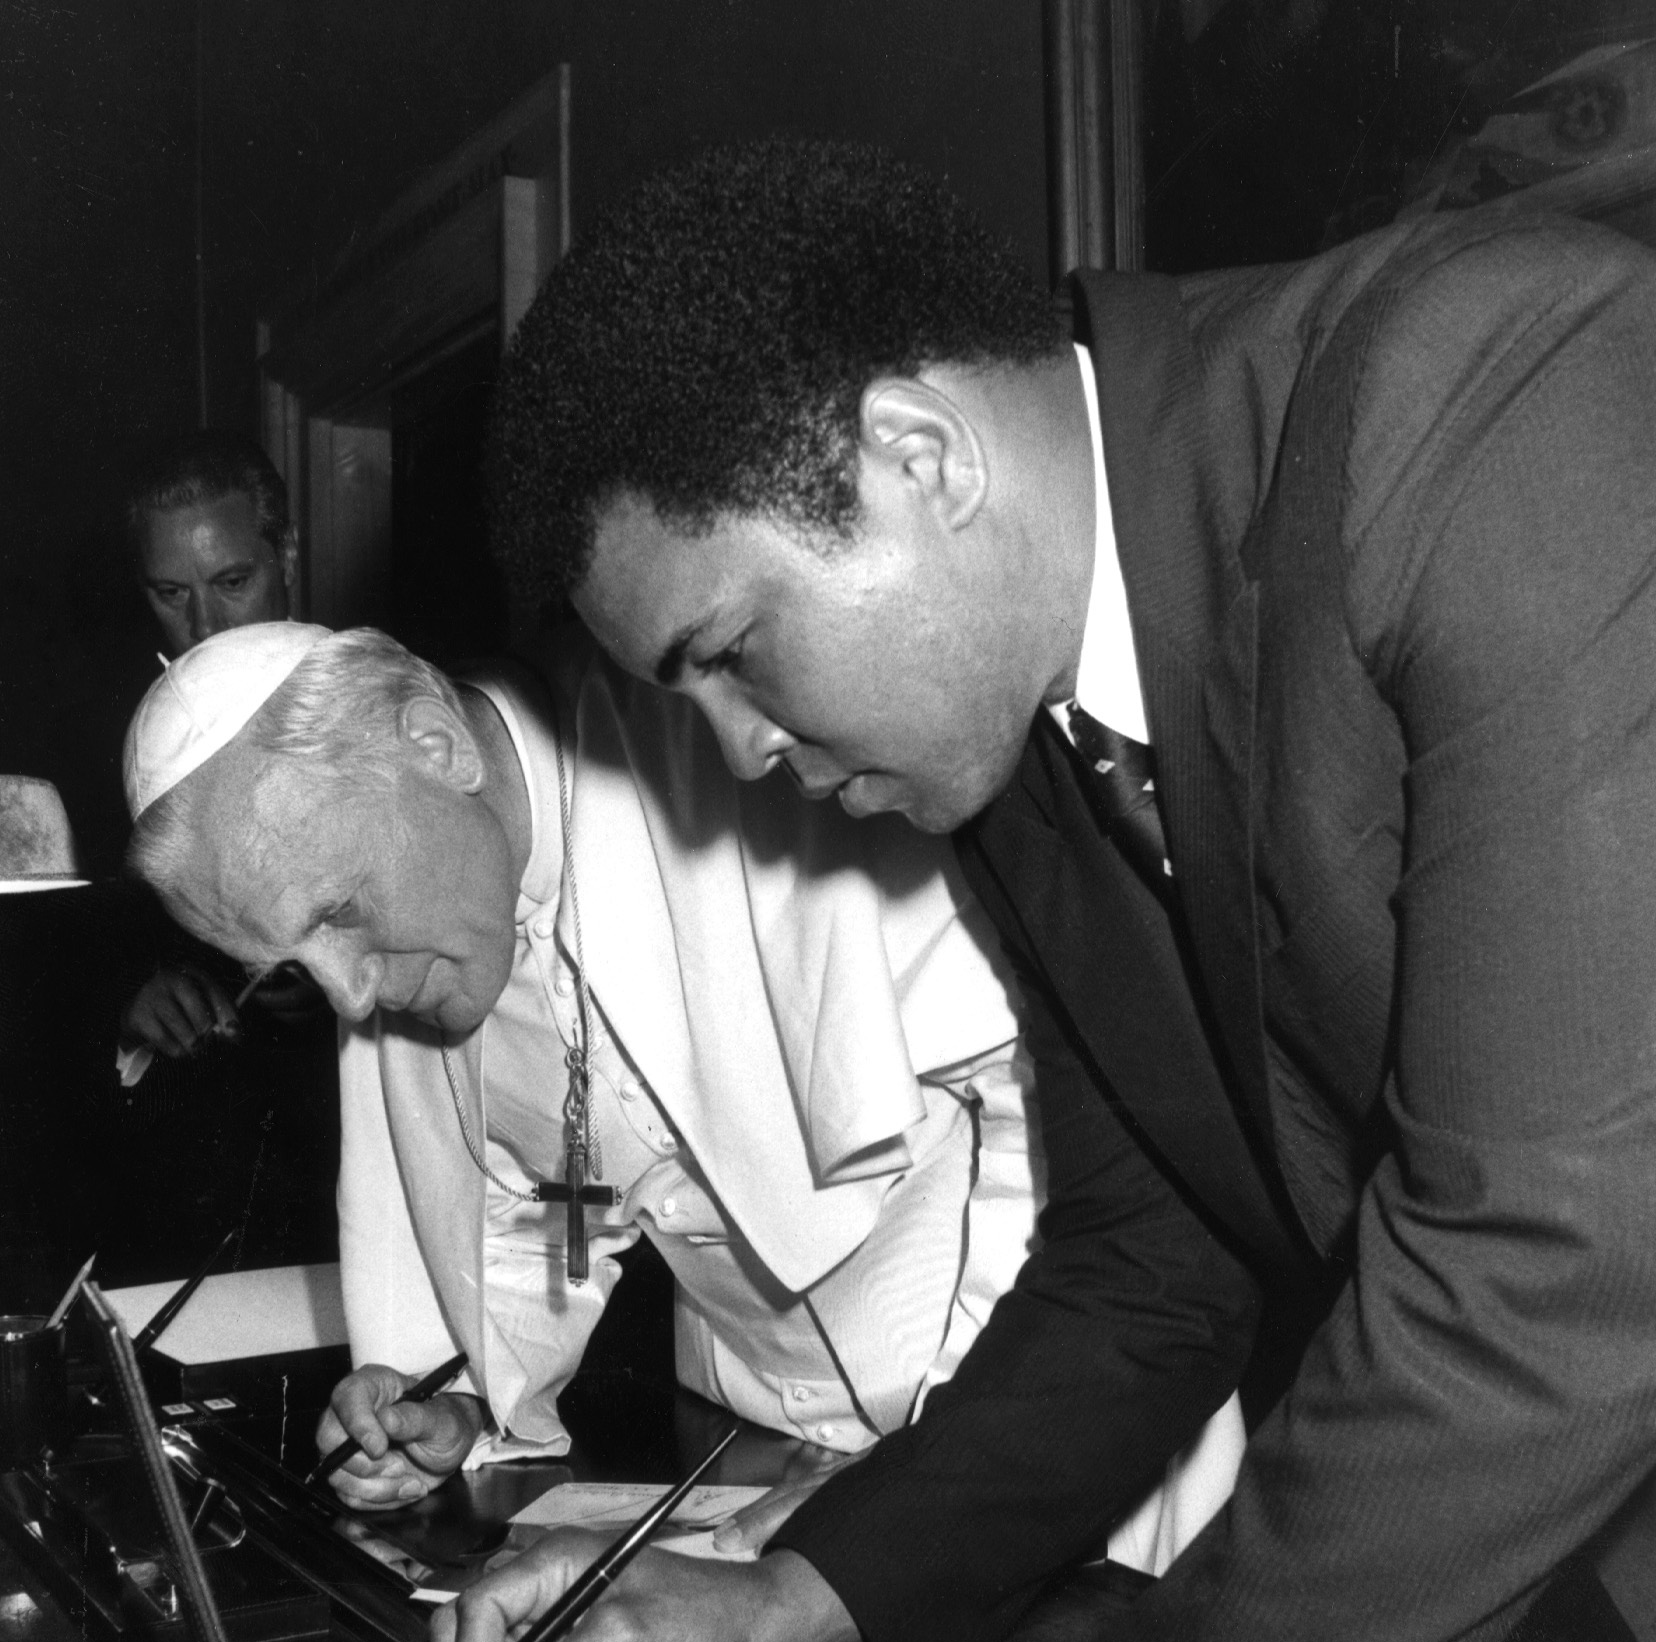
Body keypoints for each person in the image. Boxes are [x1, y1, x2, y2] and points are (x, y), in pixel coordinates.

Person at [429, 136, 1656, 1642]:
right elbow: (1158, 1254)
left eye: (731, 650)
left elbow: (1578, 1230)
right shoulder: (1009, 732)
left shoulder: (1497, 399)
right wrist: (786, 1594)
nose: (739, 755)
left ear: (915, 454)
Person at [121, 619, 1244, 1554]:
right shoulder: (447, 936)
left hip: (1043, 1434)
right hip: (756, 1457)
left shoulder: (758, 755)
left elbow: (1044, 1106)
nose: (353, 999)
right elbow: (556, 1208)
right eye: (291, 964)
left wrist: (950, 1455)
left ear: (434, 744)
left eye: (337, 911)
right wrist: (467, 1395)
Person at [121, 431, 308, 1062]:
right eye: (171, 594)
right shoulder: (129, 755)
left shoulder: (391, 707)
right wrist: (133, 1001)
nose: (204, 630)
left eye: (232, 581)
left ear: (286, 555)